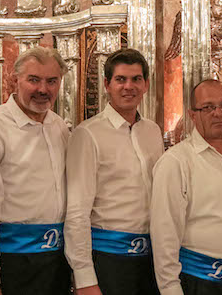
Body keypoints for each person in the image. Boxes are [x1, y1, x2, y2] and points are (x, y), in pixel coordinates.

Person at [0, 47, 72, 295]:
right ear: (15, 80)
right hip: (12, 263)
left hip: (57, 262)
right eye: (33, 80)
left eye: (51, 81)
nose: (43, 89)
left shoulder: (58, 127)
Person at [65, 49, 164, 295]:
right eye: (121, 79)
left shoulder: (152, 131)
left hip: (151, 260)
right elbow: (77, 211)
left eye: (136, 79)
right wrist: (85, 278)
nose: (128, 86)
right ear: (107, 85)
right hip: (109, 260)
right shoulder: (87, 134)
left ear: (146, 84)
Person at [150, 80, 222, 295]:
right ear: (192, 115)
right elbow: (165, 235)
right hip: (199, 283)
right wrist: (170, 289)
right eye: (208, 107)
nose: (218, 113)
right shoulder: (176, 162)